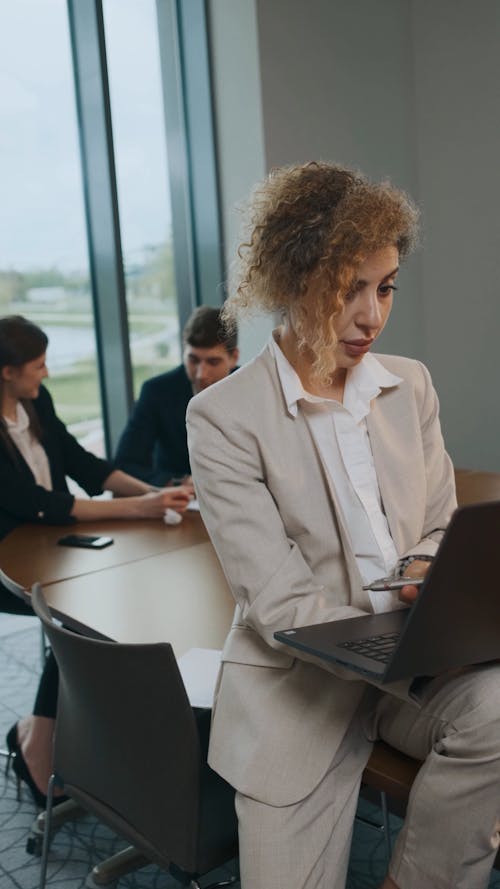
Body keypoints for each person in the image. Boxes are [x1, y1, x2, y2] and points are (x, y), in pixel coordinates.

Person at [186, 162, 500, 889]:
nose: (371, 315)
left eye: (385, 286)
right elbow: (278, 602)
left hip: (410, 668)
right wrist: (405, 648)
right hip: (296, 689)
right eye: (348, 287)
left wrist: (429, 585)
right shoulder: (223, 418)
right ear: (291, 281)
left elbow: (437, 529)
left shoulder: (409, 384)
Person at [0, 315, 193, 807]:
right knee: (77, 617)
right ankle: (35, 743)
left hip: (54, 546)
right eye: (38, 366)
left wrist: (157, 492)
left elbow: (84, 465)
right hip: (8, 559)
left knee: (114, 602)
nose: (44, 374)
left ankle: (92, 735)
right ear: (6, 371)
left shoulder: (35, 402)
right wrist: (139, 507)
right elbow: (36, 502)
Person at [114, 305, 239, 486]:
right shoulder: (157, 391)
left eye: (213, 362)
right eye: (193, 360)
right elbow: (125, 464)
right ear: (183, 351)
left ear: (234, 357)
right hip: (182, 502)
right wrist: (179, 482)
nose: (201, 374)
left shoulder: (253, 389)